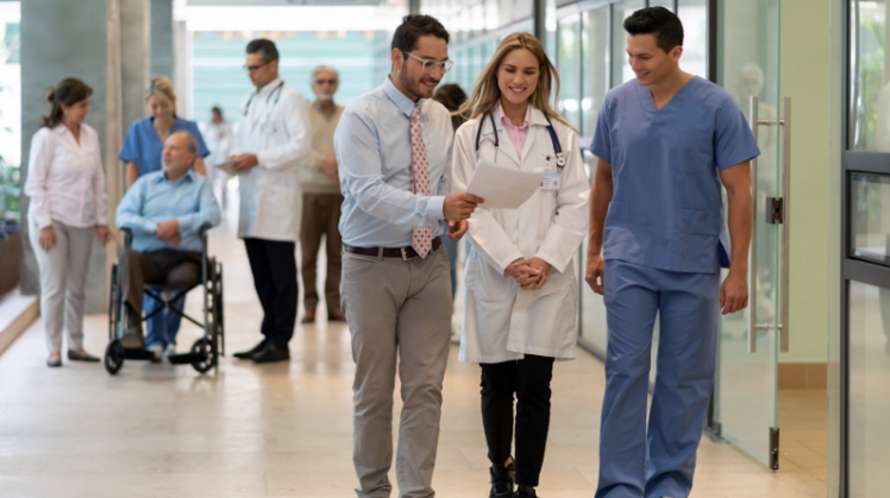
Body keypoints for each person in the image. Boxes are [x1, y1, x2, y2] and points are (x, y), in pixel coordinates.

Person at [586, 8, 757, 498]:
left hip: (692, 259)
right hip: (629, 257)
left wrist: (739, 269)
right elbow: (603, 179)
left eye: (645, 56)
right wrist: (594, 248)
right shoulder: (617, 104)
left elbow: (740, 191)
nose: (635, 65)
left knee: (685, 380)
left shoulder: (716, 106)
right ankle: (620, 487)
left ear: (675, 52)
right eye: (630, 56)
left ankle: (668, 485)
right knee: (625, 372)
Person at [334, 15, 482, 498]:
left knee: (425, 388)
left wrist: (452, 216)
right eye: (426, 63)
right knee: (374, 390)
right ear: (397, 57)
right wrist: (436, 207)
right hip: (370, 265)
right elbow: (367, 193)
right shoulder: (361, 116)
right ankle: (373, 489)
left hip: (429, 264)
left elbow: (440, 181)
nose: (435, 74)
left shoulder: (439, 117)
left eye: (442, 64)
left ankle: (417, 491)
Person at [451, 33, 590, 498]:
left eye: (529, 71)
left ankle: (527, 483)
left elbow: (575, 204)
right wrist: (511, 260)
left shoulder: (560, 136)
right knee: (495, 383)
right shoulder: (471, 134)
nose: (519, 79)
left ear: (541, 77)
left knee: (535, 387)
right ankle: (499, 470)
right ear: (496, 73)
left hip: (545, 278)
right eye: (511, 70)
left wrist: (545, 260)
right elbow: (468, 206)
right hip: (496, 273)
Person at [230, 38, 311, 364]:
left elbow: (301, 146)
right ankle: (268, 335)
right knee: (261, 276)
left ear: (273, 64)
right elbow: (244, 142)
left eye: (255, 67)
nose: (250, 73)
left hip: (278, 201)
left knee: (281, 277)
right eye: (247, 67)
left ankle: (281, 340)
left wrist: (259, 158)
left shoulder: (291, 100)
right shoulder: (250, 100)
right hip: (252, 199)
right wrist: (237, 159)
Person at [119, 76, 211, 359]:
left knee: (176, 283)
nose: (159, 111)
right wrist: (142, 213)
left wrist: (197, 200)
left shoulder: (188, 129)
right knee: (144, 273)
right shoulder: (138, 130)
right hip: (150, 208)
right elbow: (132, 171)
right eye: (154, 105)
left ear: (174, 103)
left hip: (182, 210)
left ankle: (169, 337)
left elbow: (199, 168)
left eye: (164, 105)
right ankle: (151, 338)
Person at [24, 77, 110, 368]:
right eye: (81, 105)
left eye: (87, 104)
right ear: (65, 106)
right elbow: (35, 184)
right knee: (54, 287)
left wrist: (102, 220)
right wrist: (45, 224)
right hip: (52, 220)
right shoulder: (46, 137)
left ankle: (76, 344)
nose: (87, 110)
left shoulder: (90, 135)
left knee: (77, 287)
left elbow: (98, 180)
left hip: (83, 219)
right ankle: (53, 348)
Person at [298, 65, 345, 324]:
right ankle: (310, 305)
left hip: (338, 192)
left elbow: (353, 145)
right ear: (313, 85)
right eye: (321, 81)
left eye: (331, 81)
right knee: (308, 254)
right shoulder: (303, 114)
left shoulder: (345, 114)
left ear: (337, 85)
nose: (326, 86)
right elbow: (298, 147)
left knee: (337, 253)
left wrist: (339, 163)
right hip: (309, 192)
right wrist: (323, 162)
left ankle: (334, 305)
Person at [432, 83, 467, 303]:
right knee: (443, 264)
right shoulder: (432, 131)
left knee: (446, 263)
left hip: (452, 208)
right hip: (434, 205)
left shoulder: (466, 134)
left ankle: (445, 312)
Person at [201, 105, 234, 207]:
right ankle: (211, 205)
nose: (214, 116)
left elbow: (231, 141)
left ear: (219, 114)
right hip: (210, 158)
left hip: (222, 157)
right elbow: (203, 140)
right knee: (210, 182)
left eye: (216, 114)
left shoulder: (227, 125)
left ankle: (225, 206)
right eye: (213, 114)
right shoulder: (208, 126)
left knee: (224, 183)